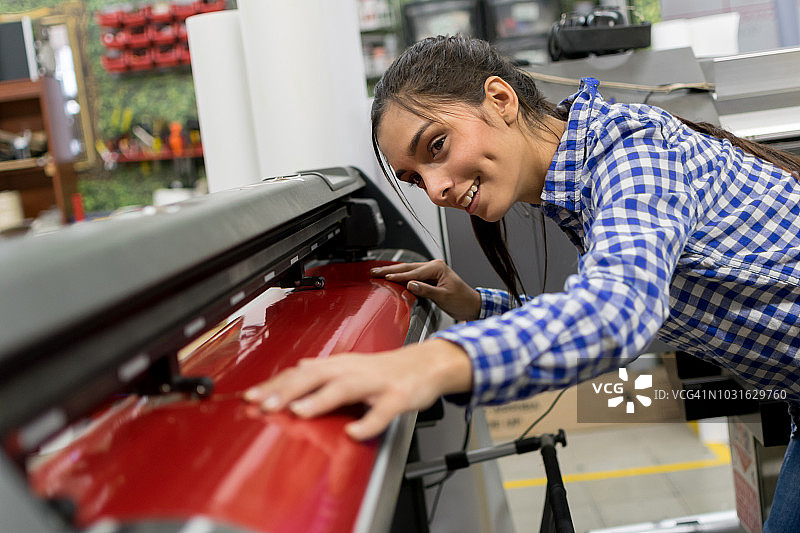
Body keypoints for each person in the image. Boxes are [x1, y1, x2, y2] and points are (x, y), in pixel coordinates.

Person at [244, 35, 800, 530]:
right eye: (416, 178)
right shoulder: (583, 184)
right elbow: (641, 299)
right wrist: (474, 304)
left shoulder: (632, 151)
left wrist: (427, 364)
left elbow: (616, 312)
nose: (435, 189)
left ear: (501, 100)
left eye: (436, 146)